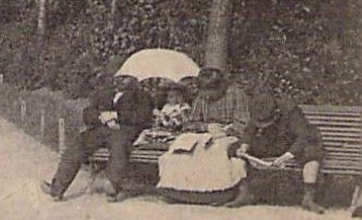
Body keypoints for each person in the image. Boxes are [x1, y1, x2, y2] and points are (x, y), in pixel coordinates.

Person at [147, 67, 254, 206]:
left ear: (221, 86)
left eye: (211, 91)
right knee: (182, 149)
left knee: (217, 150)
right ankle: (179, 190)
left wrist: (228, 129)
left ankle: (219, 192)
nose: (207, 95)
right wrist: (205, 127)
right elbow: (190, 123)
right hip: (204, 135)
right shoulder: (201, 98)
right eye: (204, 91)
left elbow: (244, 123)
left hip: (228, 135)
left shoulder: (236, 95)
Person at [41, 71, 153, 201]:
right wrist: (101, 116)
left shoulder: (141, 96)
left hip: (123, 130)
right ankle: (57, 189)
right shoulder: (104, 93)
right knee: (79, 143)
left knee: (119, 147)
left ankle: (112, 187)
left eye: (125, 78)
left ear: (134, 78)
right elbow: (87, 113)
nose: (121, 80)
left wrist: (116, 116)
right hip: (101, 130)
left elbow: (142, 116)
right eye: (119, 77)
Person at [243, 92, 326, 214]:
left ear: (276, 112)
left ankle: (309, 198)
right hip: (273, 143)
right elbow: (249, 132)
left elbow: (304, 136)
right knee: (235, 150)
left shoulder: (291, 111)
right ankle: (244, 193)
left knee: (312, 152)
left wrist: (288, 156)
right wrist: (244, 146)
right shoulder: (258, 106)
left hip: (295, 145)